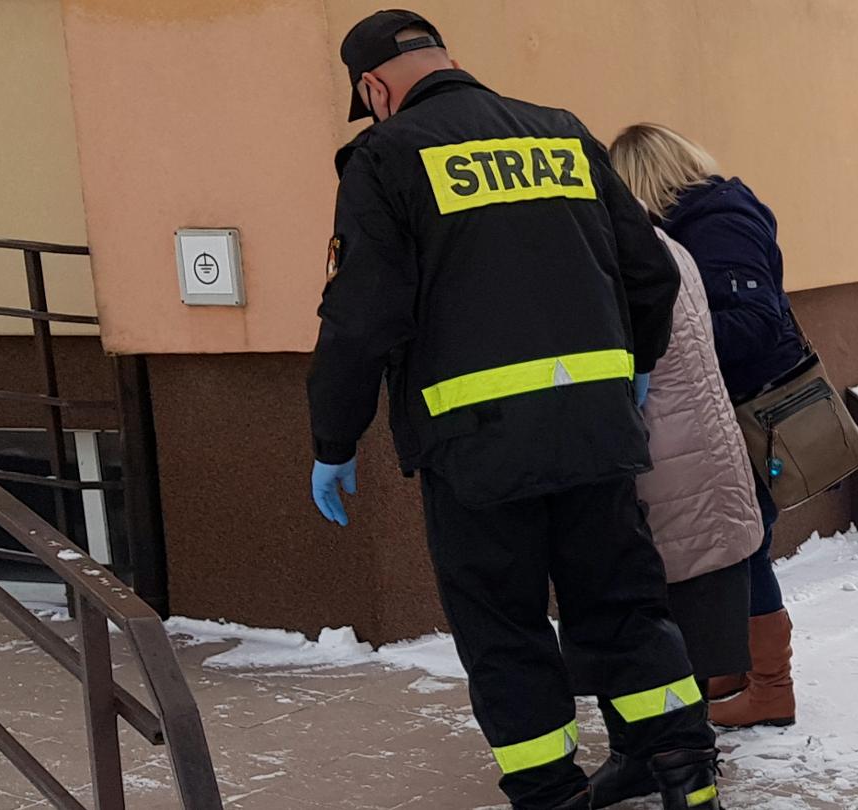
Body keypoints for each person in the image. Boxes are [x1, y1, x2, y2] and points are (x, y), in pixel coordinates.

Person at [308, 13, 720, 809]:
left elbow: (361, 314)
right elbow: (651, 272)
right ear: (448, 61)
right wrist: (630, 368)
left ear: (372, 88)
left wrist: (333, 435)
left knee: (505, 626)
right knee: (623, 602)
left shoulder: (386, 155)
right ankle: (680, 769)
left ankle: (550, 794)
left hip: (476, 447)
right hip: (596, 432)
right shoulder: (560, 134)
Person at [609, 124, 803, 730]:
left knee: (746, 549)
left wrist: (676, 337)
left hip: (750, 405)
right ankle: (740, 666)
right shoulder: (704, 220)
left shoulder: (716, 222)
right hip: (730, 404)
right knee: (738, 544)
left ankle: (773, 688)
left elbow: (753, 321)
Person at [584, 228, 766, 807]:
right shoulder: (662, 242)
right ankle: (655, 758)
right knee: (668, 615)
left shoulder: (606, 246)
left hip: (661, 460)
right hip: (695, 454)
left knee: (645, 620)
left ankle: (674, 763)